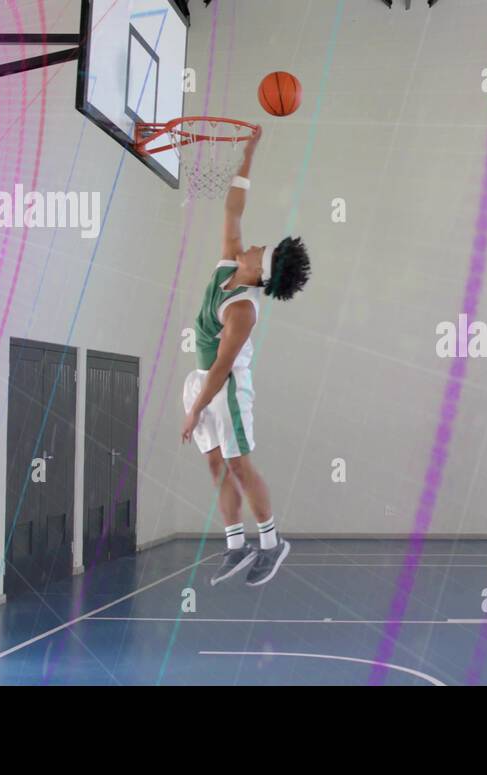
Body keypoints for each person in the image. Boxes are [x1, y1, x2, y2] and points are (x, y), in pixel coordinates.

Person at [180, 125, 310, 586]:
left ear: (262, 270)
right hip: (205, 380)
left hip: (228, 389)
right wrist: (249, 154)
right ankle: (236, 545)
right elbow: (233, 208)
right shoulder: (231, 261)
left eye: (264, 250)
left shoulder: (242, 312)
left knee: (239, 463)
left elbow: (221, 369)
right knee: (216, 464)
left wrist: (195, 410)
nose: (257, 244)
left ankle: (272, 543)